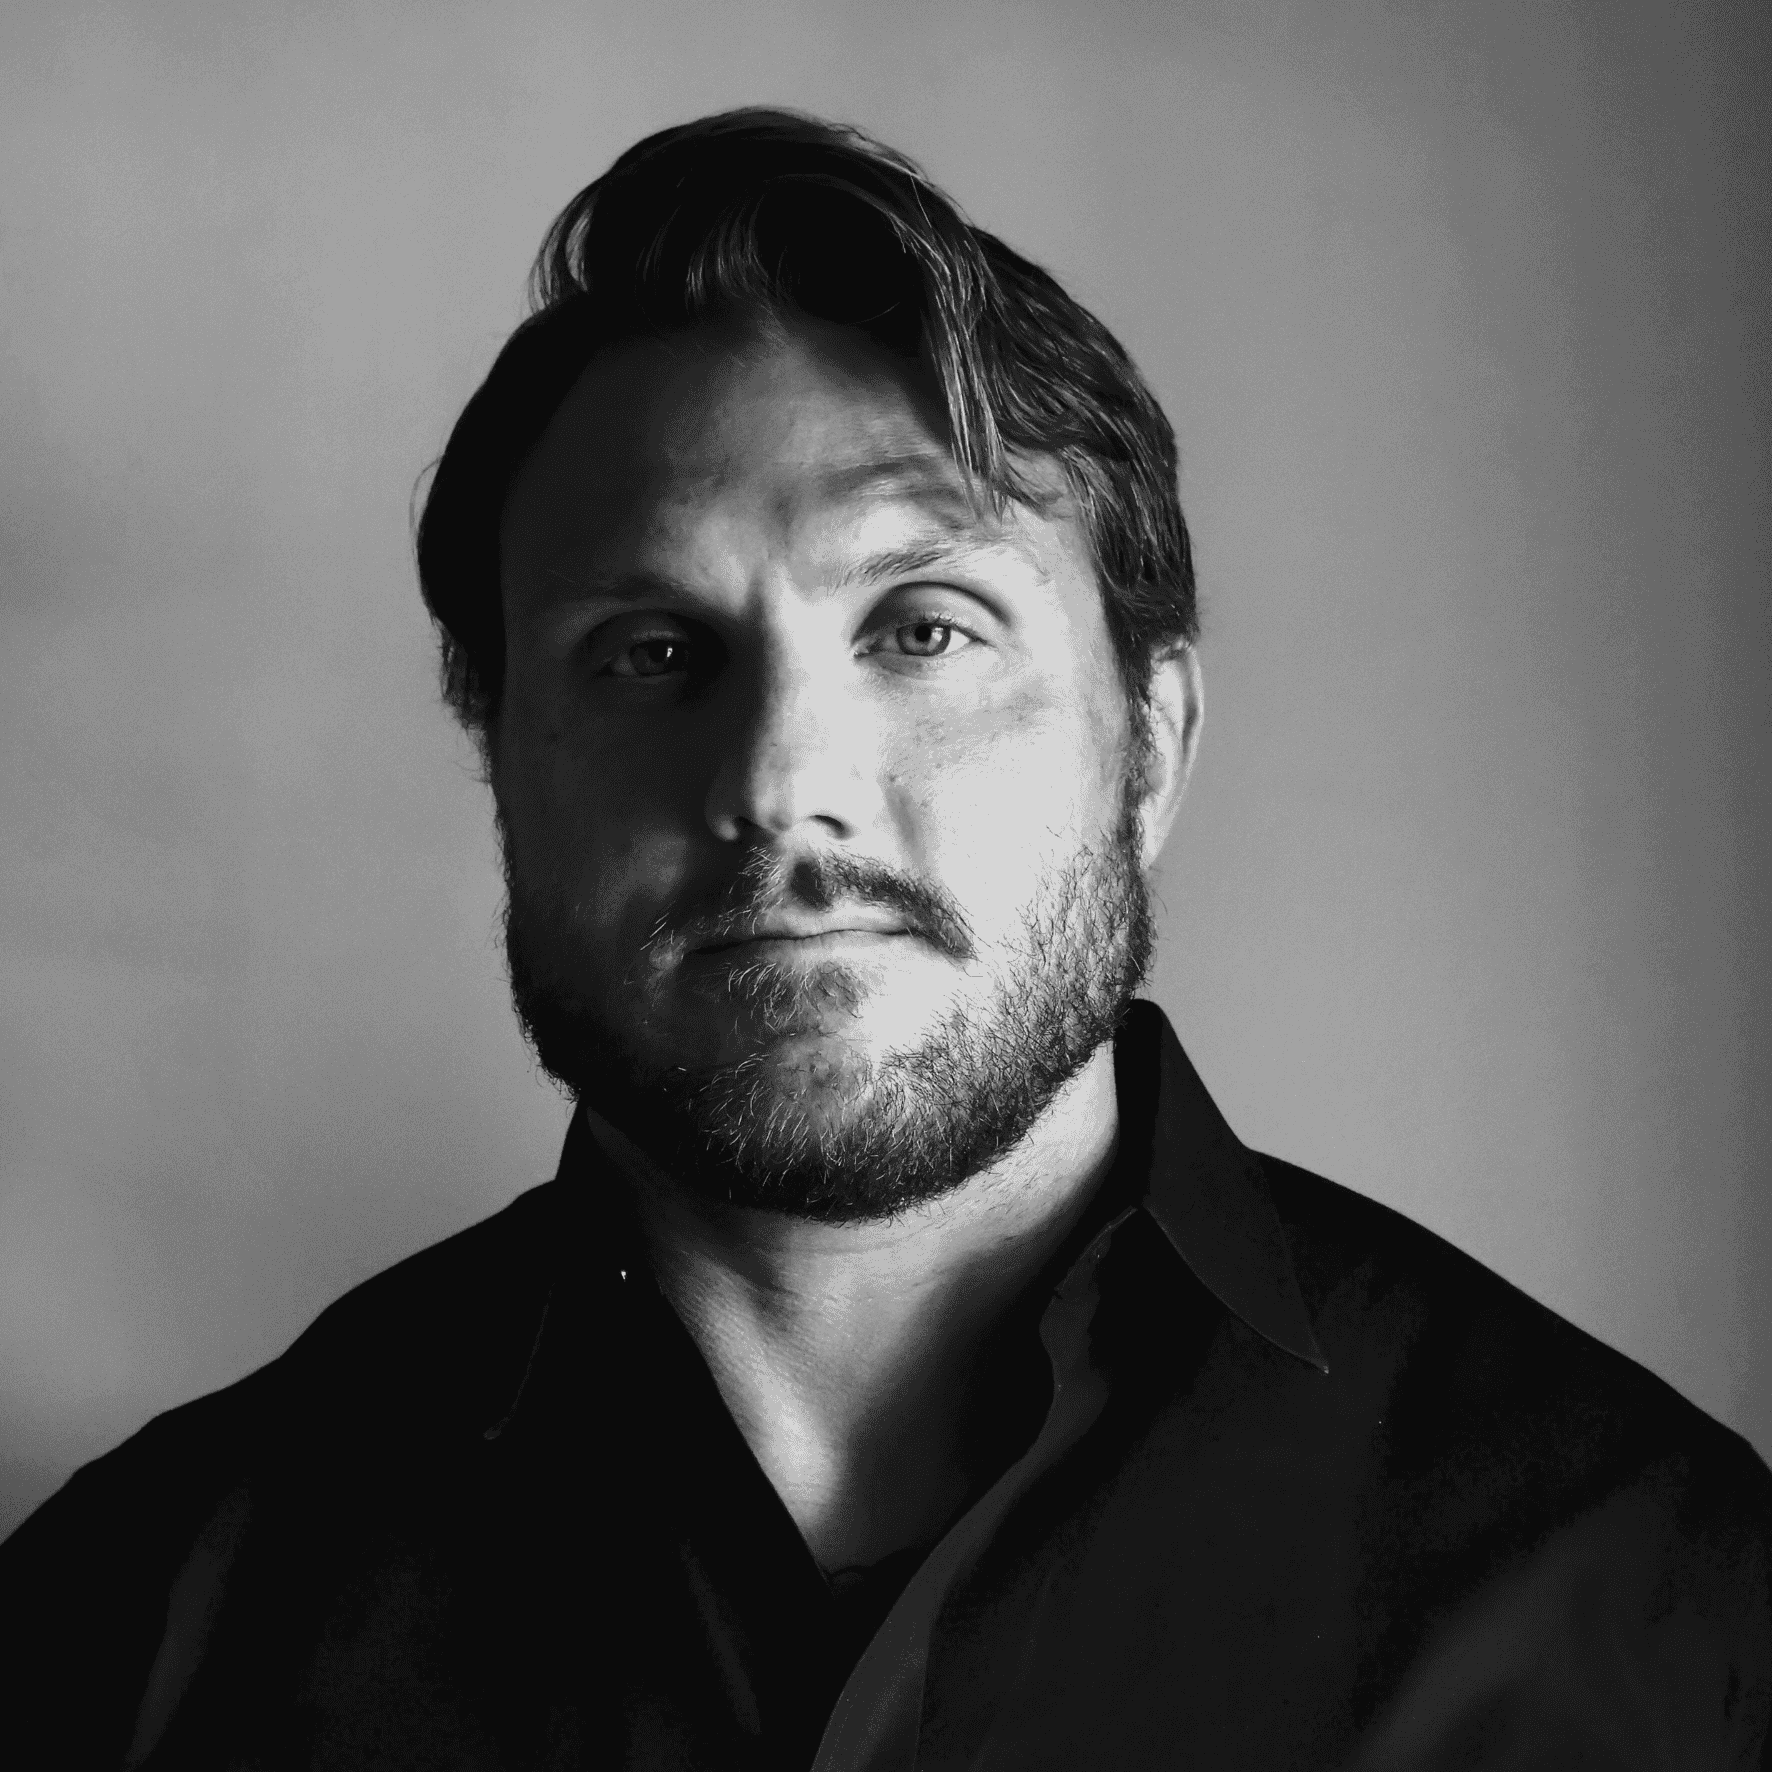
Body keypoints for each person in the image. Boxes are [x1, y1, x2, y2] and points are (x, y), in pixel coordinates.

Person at [2, 107, 1768, 1772]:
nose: (780, 786)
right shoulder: (118, 1630)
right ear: (499, 754)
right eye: (649, 653)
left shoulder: (1661, 1599)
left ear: (1151, 744)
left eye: (925, 629)